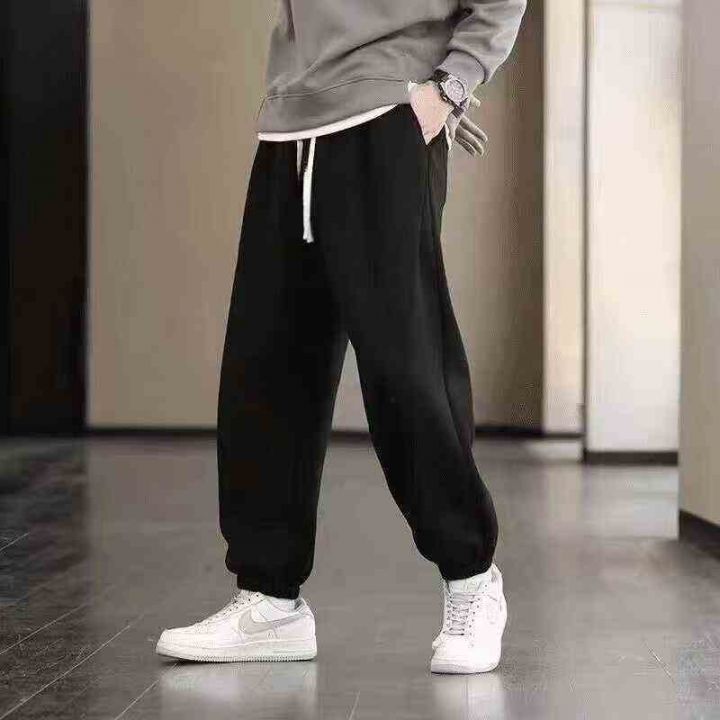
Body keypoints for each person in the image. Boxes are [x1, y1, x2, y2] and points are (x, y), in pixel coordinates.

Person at [156, 0, 526, 674]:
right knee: (267, 367)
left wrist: (450, 86)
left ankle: (472, 578)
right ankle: (270, 598)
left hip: (386, 118)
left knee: (406, 366)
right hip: (290, 125)